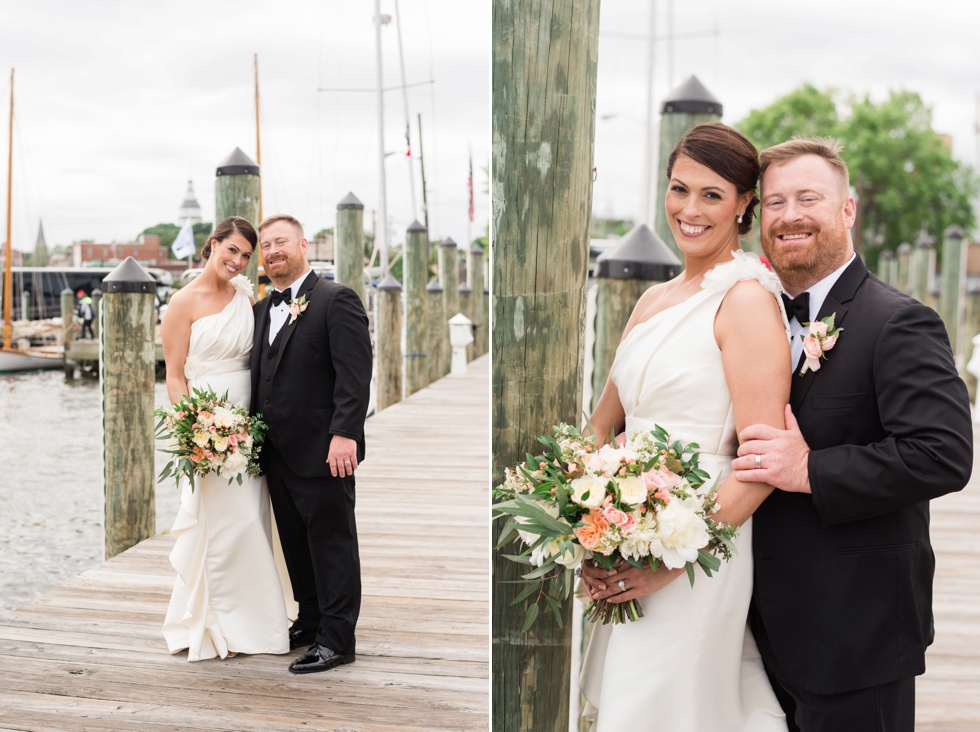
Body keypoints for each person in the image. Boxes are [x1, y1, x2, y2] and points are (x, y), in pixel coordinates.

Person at [729, 138, 973, 731]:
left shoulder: (898, 321)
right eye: (776, 202)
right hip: (748, 629)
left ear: (847, 209)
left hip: (854, 630)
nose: (789, 216)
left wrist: (808, 470)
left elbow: (943, 455)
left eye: (808, 198)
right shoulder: (747, 317)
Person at [579, 123, 792, 731]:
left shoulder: (747, 300)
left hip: (700, 544)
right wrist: (586, 532)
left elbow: (761, 464)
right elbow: (600, 426)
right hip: (626, 530)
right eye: (679, 189)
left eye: (711, 195)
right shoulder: (651, 301)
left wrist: (672, 562)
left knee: (666, 704)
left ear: (744, 203)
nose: (689, 210)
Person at [160, 216, 293, 662]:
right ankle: (218, 626)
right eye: (231, 250)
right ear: (211, 245)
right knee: (219, 527)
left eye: (245, 255)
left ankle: (256, 622)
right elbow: (175, 377)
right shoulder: (181, 303)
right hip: (208, 427)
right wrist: (197, 430)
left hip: (250, 426)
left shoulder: (245, 296)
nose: (237, 261)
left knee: (252, 522)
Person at [251, 214, 372, 674]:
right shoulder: (262, 310)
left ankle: (338, 639)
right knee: (296, 544)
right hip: (276, 453)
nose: (273, 251)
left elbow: (354, 375)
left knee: (332, 543)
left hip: (325, 448)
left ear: (303, 244)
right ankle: (310, 620)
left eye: (280, 242)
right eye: (265, 246)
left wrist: (346, 434)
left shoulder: (334, 299)